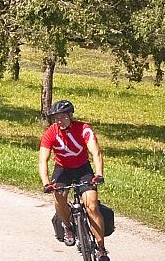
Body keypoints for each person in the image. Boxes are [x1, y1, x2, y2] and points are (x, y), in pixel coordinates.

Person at [38, 99, 109, 261]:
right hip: (62, 169)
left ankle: (101, 248)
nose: (59, 121)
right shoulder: (50, 133)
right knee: (58, 197)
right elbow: (43, 160)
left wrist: (98, 174)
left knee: (92, 205)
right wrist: (46, 182)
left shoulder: (84, 129)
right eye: (56, 118)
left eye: (63, 117)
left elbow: (96, 152)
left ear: (70, 115)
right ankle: (68, 227)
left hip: (83, 168)